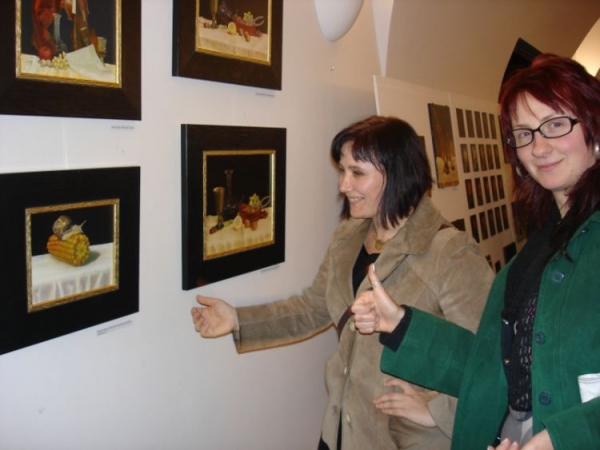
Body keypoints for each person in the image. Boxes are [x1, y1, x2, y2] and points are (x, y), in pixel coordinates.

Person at [191, 115, 494, 450]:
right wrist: (238, 319)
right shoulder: (348, 237)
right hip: (341, 429)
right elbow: (312, 308)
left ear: (397, 173)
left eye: (357, 173)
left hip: (399, 440)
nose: (343, 185)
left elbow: (490, 358)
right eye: (342, 171)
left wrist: (438, 412)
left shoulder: (450, 252)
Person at [352, 54, 600, 450]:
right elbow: (494, 368)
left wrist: (559, 438)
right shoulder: (540, 245)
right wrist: (399, 323)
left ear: (592, 124)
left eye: (555, 124)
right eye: (523, 133)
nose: (539, 147)